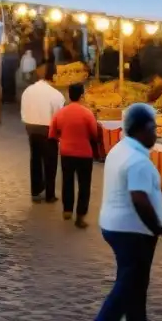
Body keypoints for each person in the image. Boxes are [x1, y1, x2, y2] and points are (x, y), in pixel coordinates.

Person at [96, 103, 162, 321]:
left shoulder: (120, 149)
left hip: (115, 225)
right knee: (126, 289)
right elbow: (139, 198)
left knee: (136, 287)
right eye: (153, 130)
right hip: (132, 232)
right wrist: (158, 228)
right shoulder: (137, 160)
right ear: (142, 130)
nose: (156, 135)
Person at [49, 82, 99, 226]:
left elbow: (52, 133)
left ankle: (67, 210)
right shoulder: (87, 113)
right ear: (82, 96)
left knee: (67, 181)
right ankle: (81, 216)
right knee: (84, 185)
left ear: (68, 95)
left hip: (66, 153)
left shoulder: (60, 113)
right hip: (85, 154)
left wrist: (63, 137)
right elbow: (94, 135)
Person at [20, 62, 64, 203]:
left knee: (35, 159)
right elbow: (59, 116)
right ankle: (50, 194)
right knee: (50, 162)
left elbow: (23, 111)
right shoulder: (56, 94)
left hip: (31, 128)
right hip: (48, 130)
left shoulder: (28, 91)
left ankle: (36, 189)